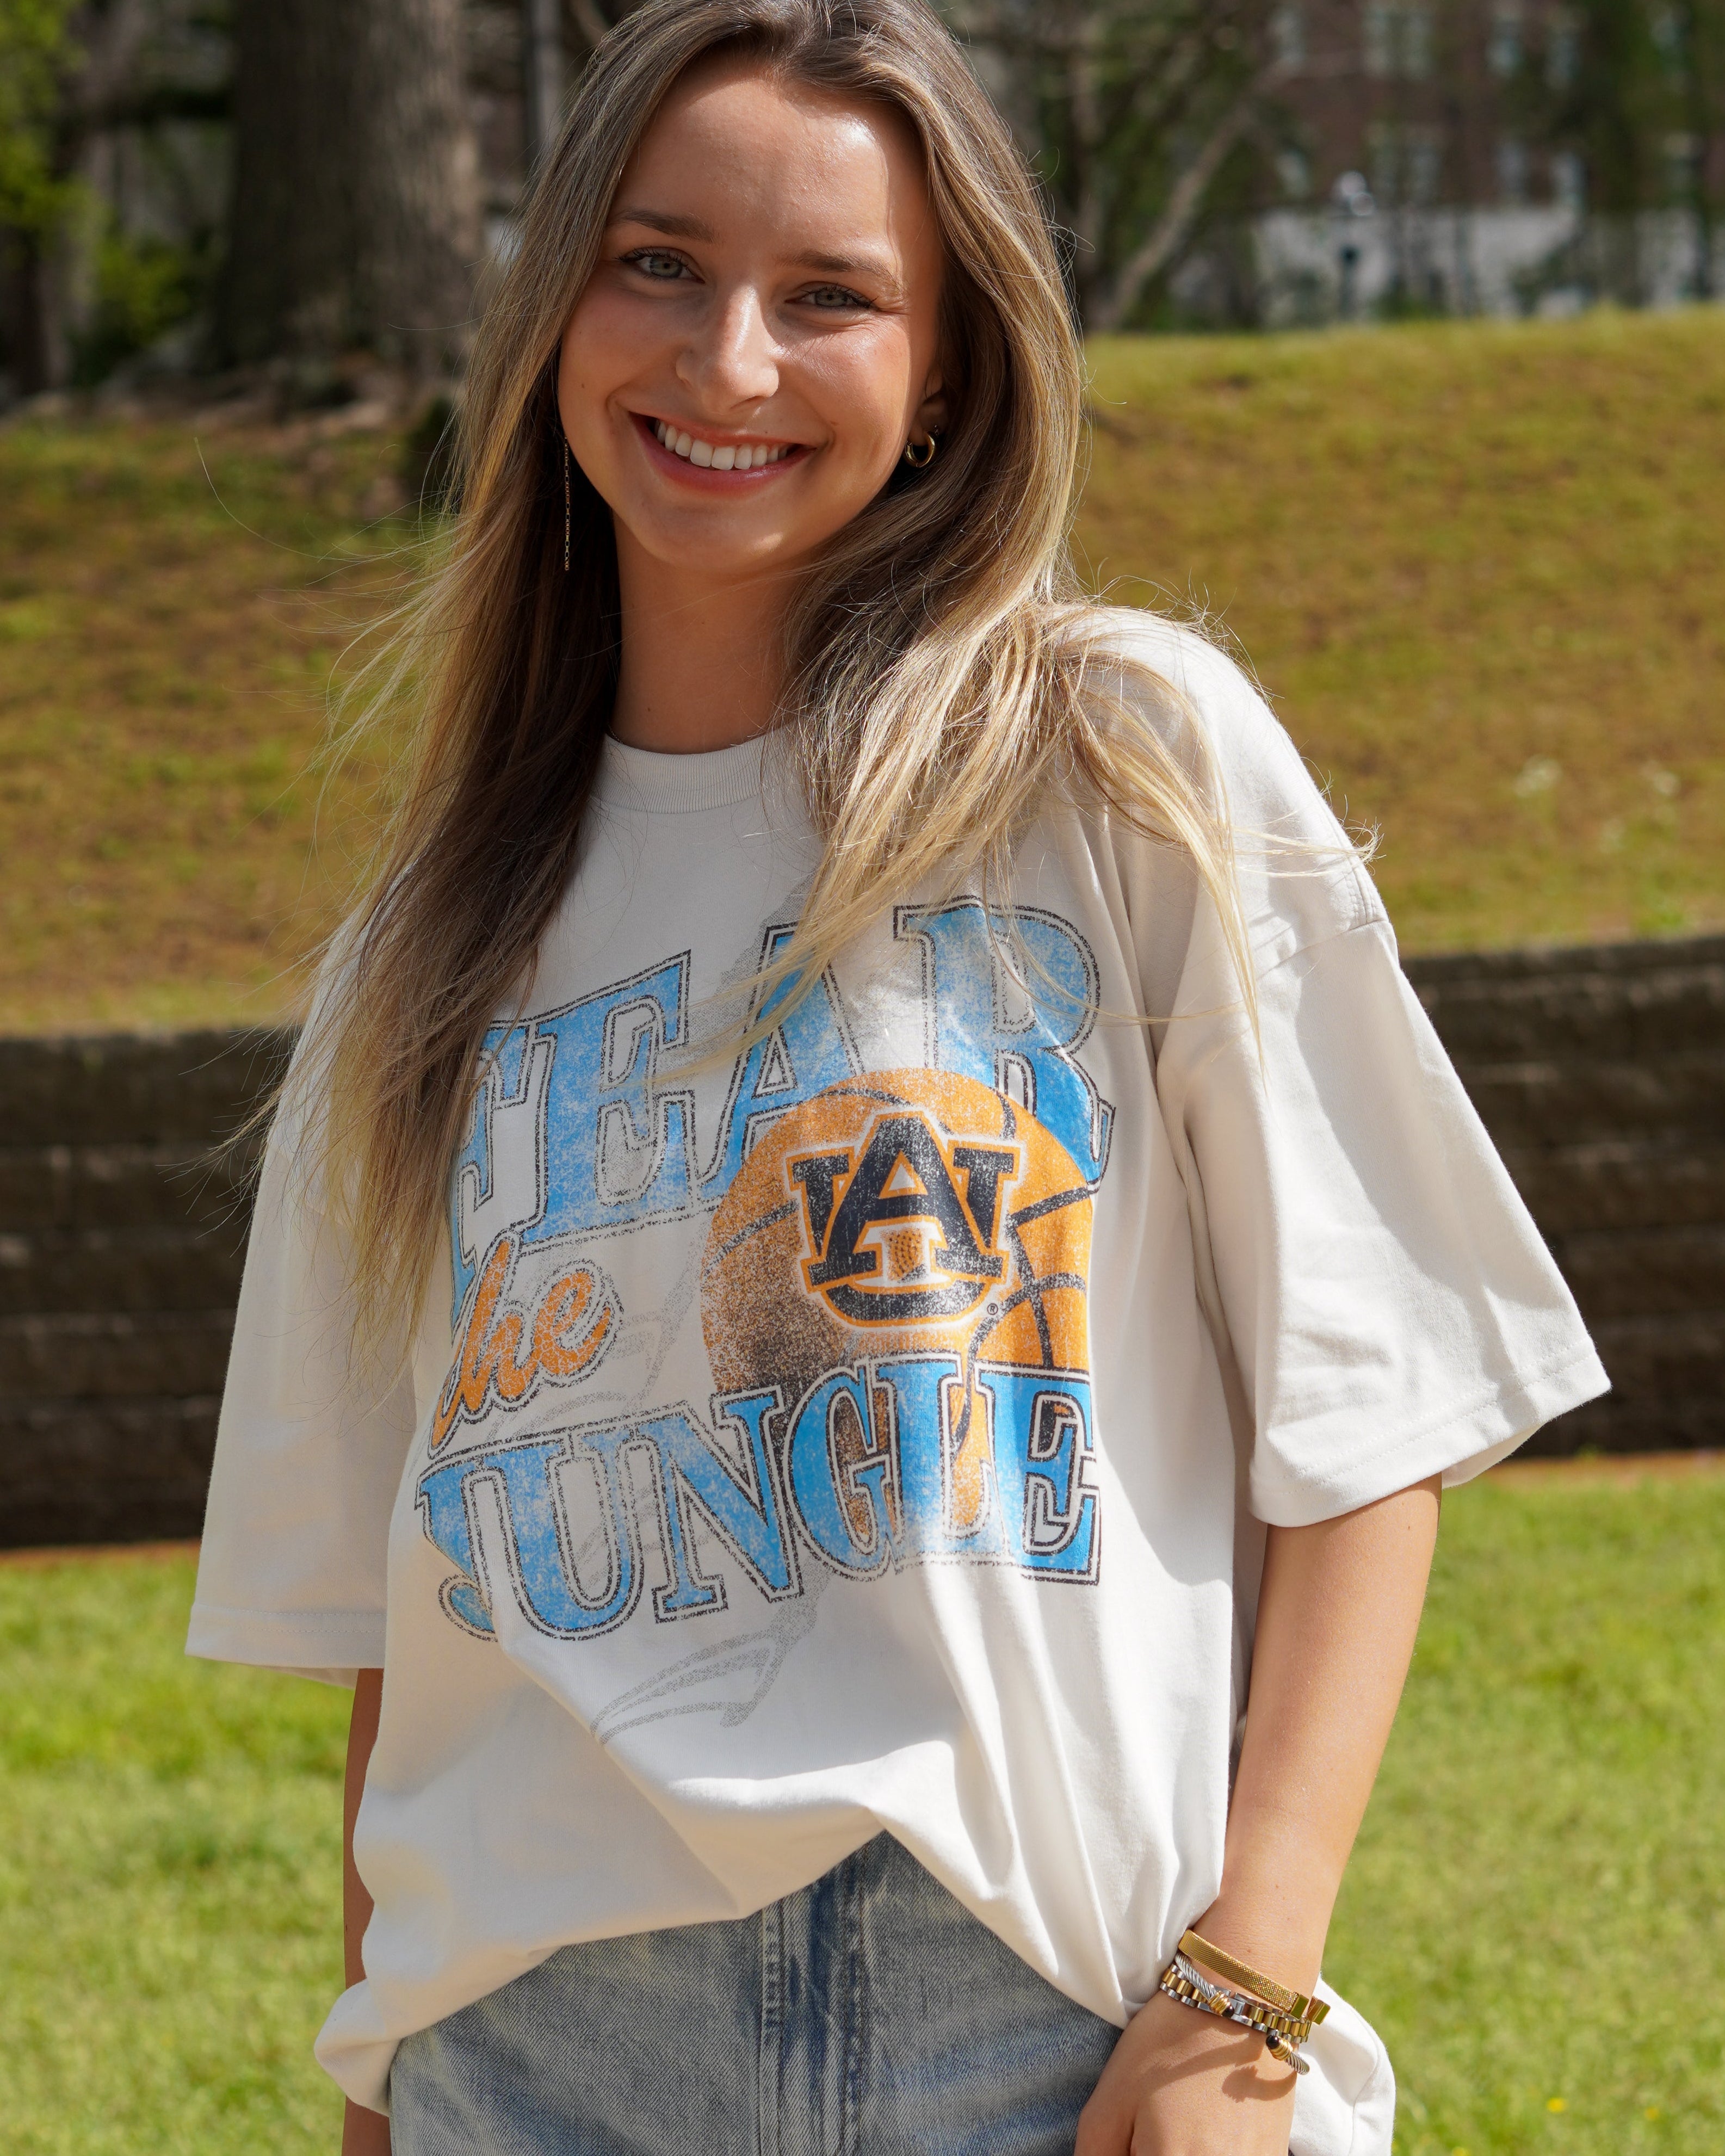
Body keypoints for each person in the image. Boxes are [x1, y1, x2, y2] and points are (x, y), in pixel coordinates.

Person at [188, 2, 1607, 2150]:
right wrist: (388, 2080)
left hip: (1045, 2035)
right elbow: (415, 1629)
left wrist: (1249, 1989)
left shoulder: (1120, 763)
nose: (725, 361)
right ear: (560, 292)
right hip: (540, 2059)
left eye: (829, 295)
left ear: (946, 368)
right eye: (657, 262)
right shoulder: (417, 957)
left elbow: (1373, 1418)